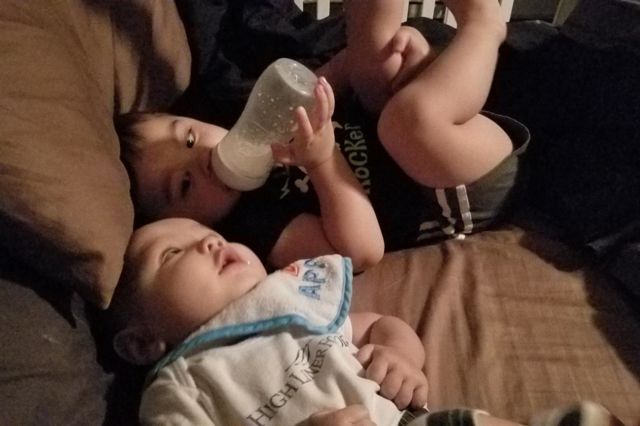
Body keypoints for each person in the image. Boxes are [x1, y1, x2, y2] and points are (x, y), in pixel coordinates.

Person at [116, 0, 530, 271]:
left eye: (189, 138)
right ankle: (484, 23)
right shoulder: (255, 225)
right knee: (407, 124)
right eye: (184, 184)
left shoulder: (246, 122)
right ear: (185, 225)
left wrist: (396, 57)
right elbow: (364, 251)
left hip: (415, 130)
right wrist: (322, 162)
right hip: (445, 192)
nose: (202, 159)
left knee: (374, 61)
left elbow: (329, 82)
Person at [108, 217, 619, 426]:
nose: (208, 241)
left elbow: (380, 326)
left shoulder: (293, 306)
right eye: (172, 254)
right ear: (142, 343)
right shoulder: (180, 386)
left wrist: (401, 357)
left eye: (208, 233)